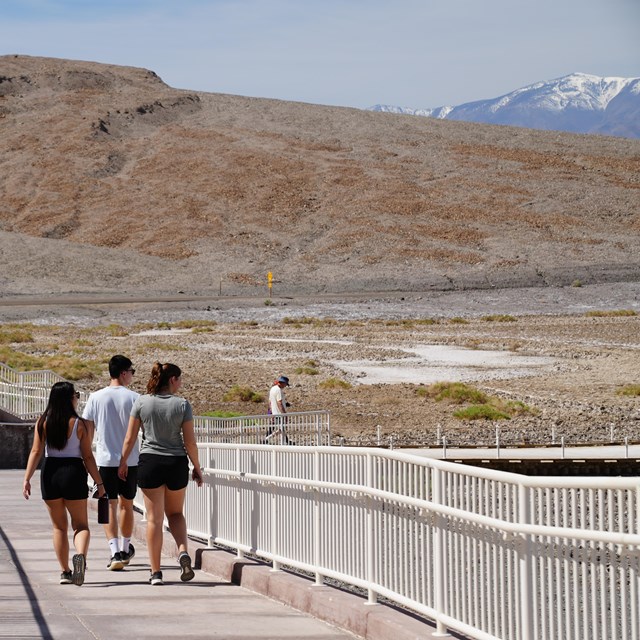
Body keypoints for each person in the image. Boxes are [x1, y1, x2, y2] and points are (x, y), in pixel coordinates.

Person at [118, 362, 204, 586]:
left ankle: (155, 572)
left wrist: (123, 462)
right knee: (175, 514)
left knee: (154, 519)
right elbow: (190, 442)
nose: (181, 384)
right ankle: (183, 551)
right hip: (176, 463)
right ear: (173, 380)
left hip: (150, 462)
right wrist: (197, 467)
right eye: (180, 379)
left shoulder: (142, 402)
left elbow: (129, 438)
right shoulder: (182, 405)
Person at [22, 381, 106, 586]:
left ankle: (65, 571)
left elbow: (36, 451)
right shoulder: (81, 424)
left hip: (50, 472)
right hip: (73, 472)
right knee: (81, 525)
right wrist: (99, 482)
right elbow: (87, 457)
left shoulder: (43, 422)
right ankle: (80, 556)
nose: (77, 398)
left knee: (59, 527)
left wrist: (26, 479)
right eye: (75, 395)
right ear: (70, 399)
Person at [82, 355, 139, 571]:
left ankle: (114, 551)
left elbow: (88, 431)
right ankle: (125, 549)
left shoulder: (96, 398)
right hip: (131, 460)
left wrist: (87, 458)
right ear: (124, 373)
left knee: (108, 505)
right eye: (132, 371)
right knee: (127, 504)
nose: (132, 375)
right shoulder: (135, 398)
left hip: (105, 460)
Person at [265, 375, 290, 444]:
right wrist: (284, 414)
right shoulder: (278, 390)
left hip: (274, 413)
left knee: (273, 428)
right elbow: (279, 403)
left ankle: (287, 441)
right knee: (280, 428)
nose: (285, 386)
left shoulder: (272, 389)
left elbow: (270, 402)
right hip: (279, 413)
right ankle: (266, 439)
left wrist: (272, 412)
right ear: (282, 383)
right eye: (285, 384)